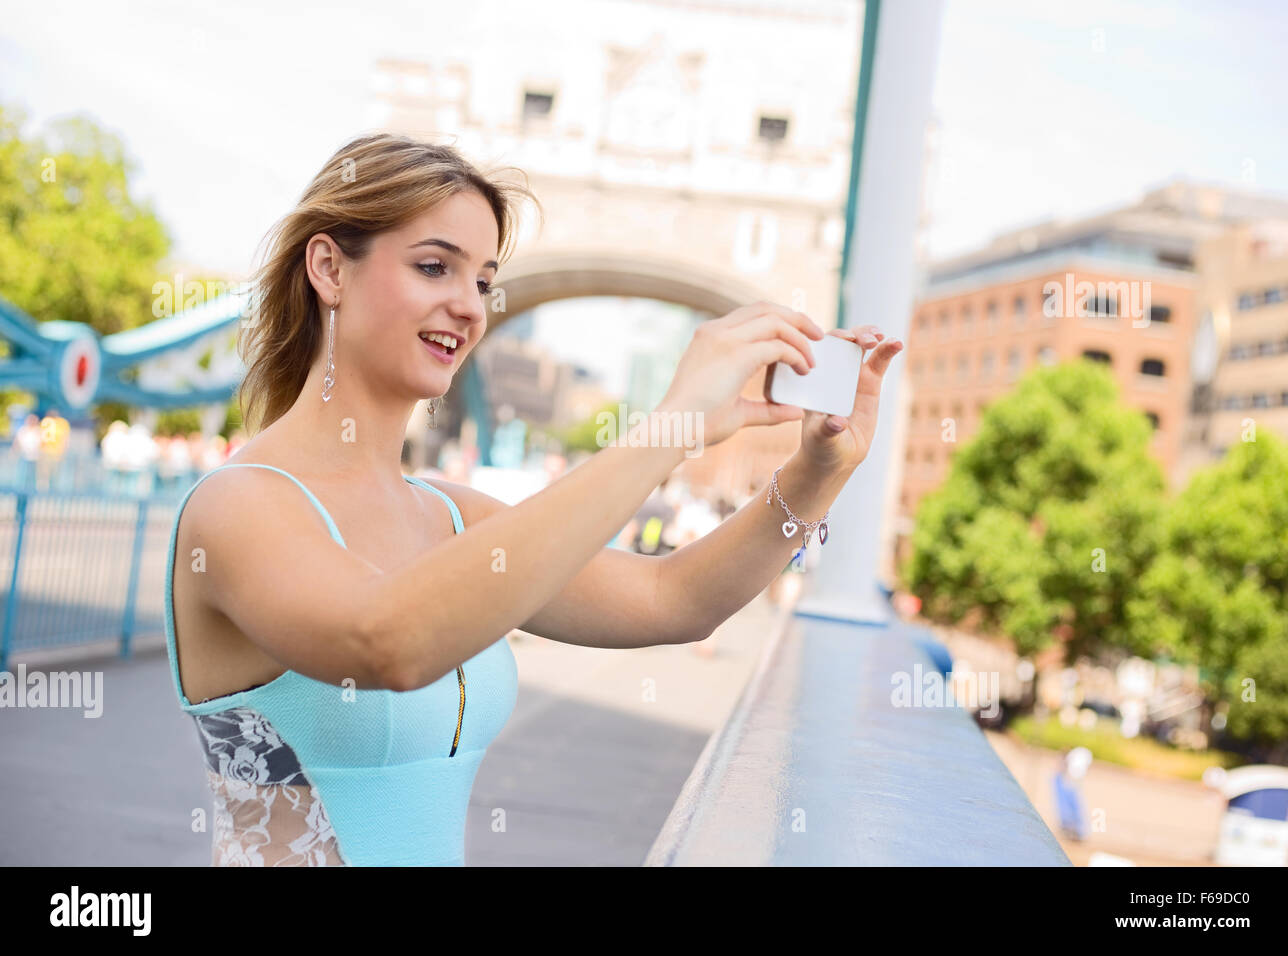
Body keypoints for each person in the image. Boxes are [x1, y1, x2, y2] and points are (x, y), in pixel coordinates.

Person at [163, 131, 902, 867]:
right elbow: (387, 643)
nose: (468, 307)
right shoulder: (237, 508)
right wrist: (666, 429)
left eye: (482, 282)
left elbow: (672, 599)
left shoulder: (451, 515)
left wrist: (817, 472)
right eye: (433, 268)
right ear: (328, 267)